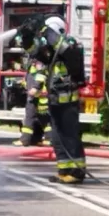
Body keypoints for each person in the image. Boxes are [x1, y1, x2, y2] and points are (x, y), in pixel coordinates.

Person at [20, 15, 87, 183]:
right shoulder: (51, 50)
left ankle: (77, 171)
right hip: (55, 100)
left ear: (56, 31)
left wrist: (50, 35)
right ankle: (64, 170)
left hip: (68, 101)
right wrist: (27, 37)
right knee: (57, 138)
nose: (46, 37)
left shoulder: (71, 45)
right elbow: (35, 52)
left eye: (48, 33)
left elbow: (69, 56)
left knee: (69, 136)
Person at [15, 57, 51, 147]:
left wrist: (35, 88)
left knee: (29, 117)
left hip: (37, 95)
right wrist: (24, 83)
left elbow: (40, 76)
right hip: (37, 94)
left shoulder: (39, 62)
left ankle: (25, 140)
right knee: (44, 119)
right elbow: (31, 76)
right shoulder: (33, 63)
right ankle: (50, 139)